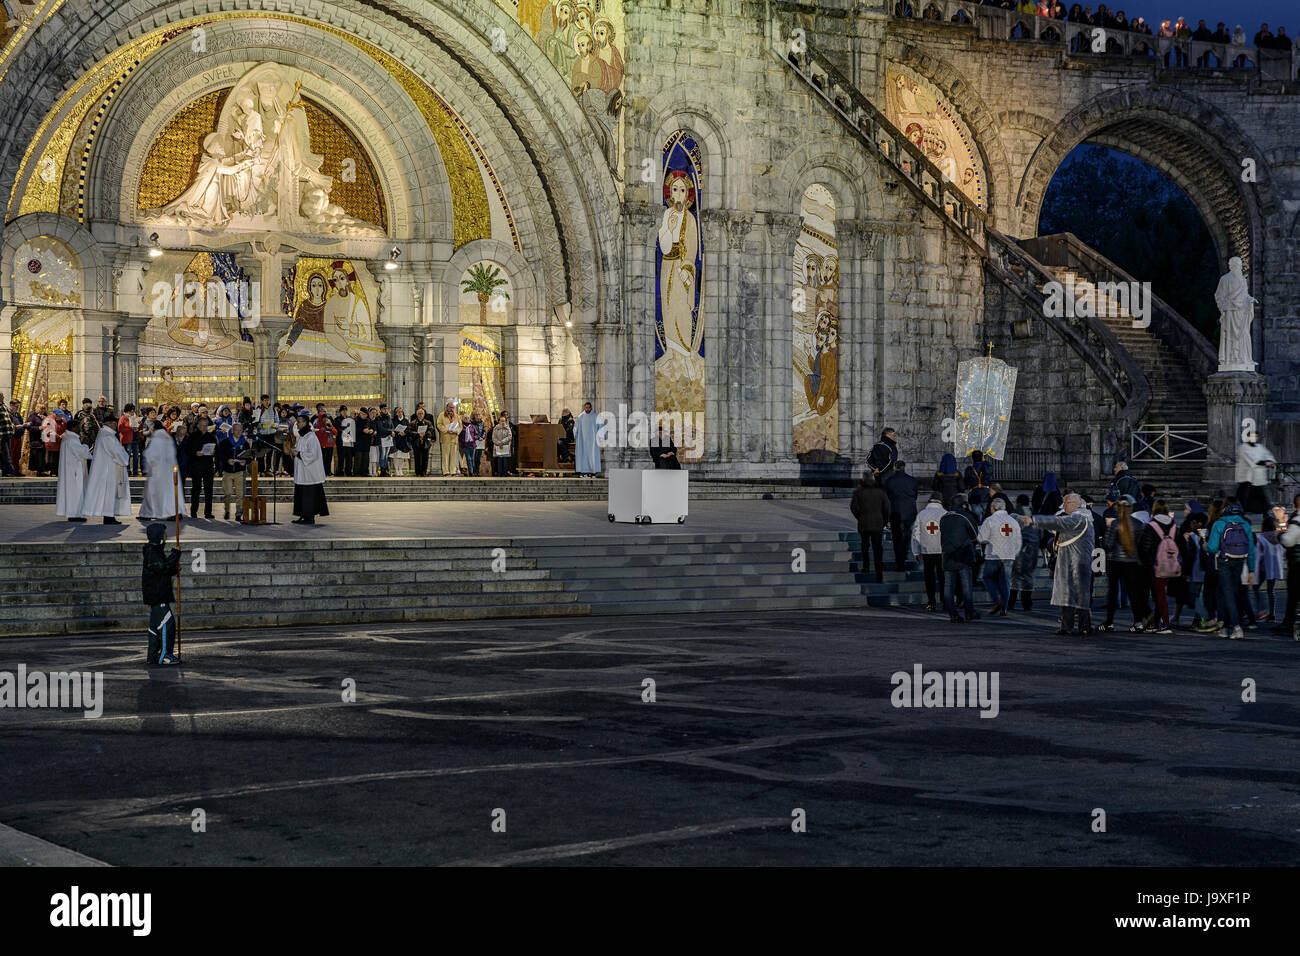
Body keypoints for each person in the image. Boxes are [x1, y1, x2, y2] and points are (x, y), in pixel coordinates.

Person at [1018, 492, 1094, 635]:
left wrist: (1034, 520)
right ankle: (1068, 626)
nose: (1063, 506)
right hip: (1071, 563)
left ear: (1073, 504)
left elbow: (1058, 523)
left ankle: (1083, 626)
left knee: (1080, 596)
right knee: (1069, 596)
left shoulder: (1079, 518)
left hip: (1077, 563)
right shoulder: (1078, 518)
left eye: (1065, 503)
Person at [1205, 500, 1255, 640]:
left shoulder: (1219, 524)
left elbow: (1212, 548)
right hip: (1240, 560)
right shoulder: (1245, 525)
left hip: (1224, 561)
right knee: (1234, 591)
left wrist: (1205, 546)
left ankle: (1235, 626)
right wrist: (1251, 570)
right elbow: (1251, 549)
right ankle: (1227, 626)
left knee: (1227, 593)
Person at [1098, 496, 1146, 632]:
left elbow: (1108, 545)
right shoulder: (1138, 524)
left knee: (1113, 593)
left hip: (1116, 561)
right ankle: (1138, 621)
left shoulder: (1115, 524)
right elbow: (1141, 544)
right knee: (1133, 592)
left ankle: (1109, 622)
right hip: (1132, 561)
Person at [142, 522, 182, 666]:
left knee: (155, 627)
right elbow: (163, 568)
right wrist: (175, 554)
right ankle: (165, 655)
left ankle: (152, 655)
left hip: (156, 594)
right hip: (158, 594)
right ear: (159, 535)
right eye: (164, 533)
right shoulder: (153, 551)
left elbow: (162, 570)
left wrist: (174, 569)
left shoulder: (155, 551)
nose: (166, 536)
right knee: (167, 624)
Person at [1138, 500, 1180, 633]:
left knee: (1158, 596)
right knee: (1160, 595)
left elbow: (1145, 548)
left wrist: (1147, 563)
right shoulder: (1174, 526)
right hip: (1172, 564)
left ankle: (1164, 624)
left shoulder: (1151, 526)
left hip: (1156, 565)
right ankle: (1156, 623)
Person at [940, 493, 980, 623]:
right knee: (966, 586)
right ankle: (969, 612)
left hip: (947, 555)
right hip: (963, 555)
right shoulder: (965, 516)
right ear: (963, 504)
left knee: (948, 586)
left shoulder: (943, 518)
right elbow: (975, 535)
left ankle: (953, 614)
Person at [978, 499, 1020, 616]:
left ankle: (996, 600)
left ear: (992, 508)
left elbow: (981, 538)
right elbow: (1018, 540)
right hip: (1008, 556)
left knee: (987, 577)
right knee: (1005, 581)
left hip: (993, 555)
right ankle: (1004, 608)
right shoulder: (1013, 521)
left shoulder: (990, 520)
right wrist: (1014, 553)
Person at [82, 424, 131, 525]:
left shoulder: (104, 435)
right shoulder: (107, 437)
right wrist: (125, 458)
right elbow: (116, 452)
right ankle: (109, 516)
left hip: (107, 469)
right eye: (114, 423)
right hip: (110, 471)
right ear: (111, 423)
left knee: (109, 494)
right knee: (109, 493)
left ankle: (109, 516)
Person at [850, 471, 891, 584]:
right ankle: (879, 573)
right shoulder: (880, 492)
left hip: (864, 523)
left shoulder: (858, 492)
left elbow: (853, 508)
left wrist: (860, 517)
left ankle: (866, 566)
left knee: (865, 545)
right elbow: (887, 508)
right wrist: (884, 521)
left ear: (863, 479)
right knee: (877, 548)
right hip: (878, 523)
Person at [139, 421, 183, 521]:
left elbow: (151, 455)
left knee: (153, 493)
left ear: (153, 429)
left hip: (158, 471)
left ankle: (148, 513)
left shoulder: (157, 438)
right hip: (170, 470)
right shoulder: (167, 437)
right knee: (170, 493)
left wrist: (146, 467)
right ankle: (174, 512)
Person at [288, 413, 328, 524]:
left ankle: (309, 516)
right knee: (302, 494)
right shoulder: (302, 437)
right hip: (302, 472)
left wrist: (298, 454)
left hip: (310, 473)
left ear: (305, 423)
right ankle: (303, 515)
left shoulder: (311, 437)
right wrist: (294, 451)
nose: (297, 424)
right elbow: (300, 449)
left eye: (299, 421)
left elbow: (313, 454)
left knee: (308, 495)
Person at [911, 494, 947, 612]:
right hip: (942, 551)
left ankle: (931, 602)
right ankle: (945, 601)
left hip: (927, 551)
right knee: (943, 577)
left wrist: (916, 551)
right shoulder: (945, 513)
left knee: (929, 577)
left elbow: (916, 534)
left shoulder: (921, 514)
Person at [883, 460, 918, 572]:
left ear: (895, 467)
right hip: (909, 512)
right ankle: (905, 554)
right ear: (904, 467)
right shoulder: (912, 480)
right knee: (907, 536)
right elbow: (915, 496)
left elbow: (886, 497)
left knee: (897, 538)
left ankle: (900, 562)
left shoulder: (889, 481)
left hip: (895, 512)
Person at [1009, 496, 1040, 612]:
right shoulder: (1034, 514)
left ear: (1018, 503)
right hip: (1032, 550)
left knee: (1014, 578)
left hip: (1018, 548)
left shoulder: (1015, 515)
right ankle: (1027, 604)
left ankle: (1010, 602)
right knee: (1028, 578)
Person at [1234, 431, 1275, 515]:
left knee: (1261, 496)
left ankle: (1265, 514)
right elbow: (1251, 461)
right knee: (1243, 496)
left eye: (1255, 436)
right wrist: (1265, 463)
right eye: (1252, 436)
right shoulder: (1243, 447)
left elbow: (1268, 455)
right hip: (1246, 478)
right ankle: (1242, 512)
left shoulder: (1260, 447)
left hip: (1258, 478)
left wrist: (1270, 461)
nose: (1254, 438)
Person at [183, 417, 217, 519]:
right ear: (197, 425)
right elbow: (187, 451)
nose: (204, 428)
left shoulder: (211, 437)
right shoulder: (192, 437)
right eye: (202, 425)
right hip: (196, 466)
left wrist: (213, 452)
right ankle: (194, 511)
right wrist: (195, 453)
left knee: (209, 490)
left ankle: (208, 512)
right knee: (196, 489)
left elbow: (217, 449)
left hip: (208, 466)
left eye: (206, 426)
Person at [55, 434, 92, 522]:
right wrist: (86, 446)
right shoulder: (71, 440)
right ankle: (74, 515)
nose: (78, 430)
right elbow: (81, 452)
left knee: (74, 493)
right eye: (76, 427)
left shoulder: (67, 439)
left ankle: (76, 514)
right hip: (74, 471)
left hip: (71, 470)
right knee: (75, 493)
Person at [217, 422, 250, 520]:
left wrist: (245, 461)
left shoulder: (245, 443)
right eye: (237, 430)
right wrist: (227, 460)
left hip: (239, 472)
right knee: (227, 493)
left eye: (241, 430)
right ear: (232, 431)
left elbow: (250, 456)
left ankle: (239, 513)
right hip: (227, 472)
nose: (239, 432)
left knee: (240, 494)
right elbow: (220, 455)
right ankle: (227, 510)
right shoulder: (225, 442)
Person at [963, 450, 993, 520]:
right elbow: (990, 471)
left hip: (974, 496)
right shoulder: (986, 467)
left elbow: (966, 483)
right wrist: (984, 461)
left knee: (977, 518)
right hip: (986, 495)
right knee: (986, 518)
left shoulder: (969, 469)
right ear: (982, 457)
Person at [575, 401, 602, 477]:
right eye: (586, 407)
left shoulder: (596, 416)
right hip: (582, 440)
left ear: (591, 408)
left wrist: (600, 436)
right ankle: (583, 472)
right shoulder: (580, 417)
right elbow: (575, 427)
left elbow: (601, 426)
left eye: (588, 407)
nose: (587, 409)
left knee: (593, 456)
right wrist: (575, 435)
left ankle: (593, 472)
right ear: (584, 408)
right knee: (583, 456)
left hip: (593, 440)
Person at [436, 401, 461, 476]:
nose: (452, 409)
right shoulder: (441, 415)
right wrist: (446, 430)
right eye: (450, 407)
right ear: (447, 407)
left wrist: (457, 431)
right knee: (445, 456)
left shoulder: (457, 416)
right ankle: (445, 471)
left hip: (454, 438)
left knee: (453, 456)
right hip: (445, 438)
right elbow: (439, 425)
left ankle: (453, 471)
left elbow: (460, 426)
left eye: (453, 407)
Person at [409, 405, 433, 477]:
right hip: (416, 442)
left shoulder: (428, 422)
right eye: (419, 414)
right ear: (417, 414)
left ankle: (424, 472)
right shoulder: (413, 423)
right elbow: (410, 431)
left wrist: (425, 434)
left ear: (424, 414)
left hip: (425, 442)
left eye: (422, 413)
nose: (420, 415)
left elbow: (431, 430)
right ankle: (418, 472)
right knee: (417, 458)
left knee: (425, 458)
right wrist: (418, 434)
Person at [314, 406, 337, 478]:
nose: (325, 419)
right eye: (323, 417)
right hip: (322, 445)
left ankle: (328, 471)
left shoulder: (329, 424)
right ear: (320, 418)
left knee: (329, 459)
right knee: (323, 459)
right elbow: (316, 435)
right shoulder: (317, 425)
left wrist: (331, 428)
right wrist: (323, 430)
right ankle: (322, 472)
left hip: (330, 444)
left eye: (326, 417)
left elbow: (336, 432)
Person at [374, 404, 395, 477]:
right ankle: (382, 470)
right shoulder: (378, 418)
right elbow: (380, 428)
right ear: (381, 410)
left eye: (386, 408)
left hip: (388, 439)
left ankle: (385, 470)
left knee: (386, 455)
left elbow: (392, 427)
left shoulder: (389, 417)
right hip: (381, 439)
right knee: (382, 455)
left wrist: (392, 432)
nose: (385, 410)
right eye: (384, 409)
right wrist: (389, 432)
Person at [389, 407, 411, 476]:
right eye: (398, 412)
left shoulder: (406, 420)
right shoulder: (393, 420)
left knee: (402, 456)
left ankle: (400, 469)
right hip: (396, 439)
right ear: (396, 413)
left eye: (401, 412)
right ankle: (396, 470)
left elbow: (409, 429)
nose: (400, 413)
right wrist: (395, 432)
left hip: (403, 440)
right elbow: (391, 428)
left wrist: (404, 433)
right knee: (396, 456)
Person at [491, 411, 513, 477]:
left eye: (504, 421)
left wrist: (502, 442)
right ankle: (499, 473)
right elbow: (493, 438)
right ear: (499, 421)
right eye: (501, 421)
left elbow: (510, 436)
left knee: (505, 460)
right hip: (498, 447)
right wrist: (498, 443)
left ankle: (505, 473)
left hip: (505, 446)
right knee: (499, 460)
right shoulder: (496, 428)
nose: (503, 422)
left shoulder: (507, 428)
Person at [459, 411, 480, 477]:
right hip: (465, 445)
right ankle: (471, 472)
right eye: (465, 418)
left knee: (472, 458)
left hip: (472, 445)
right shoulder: (461, 427)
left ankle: (472, 470)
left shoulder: (472, 426)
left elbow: (477, 434)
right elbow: (459, 435)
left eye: (468, 418)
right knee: (468, 458)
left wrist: (474, 438)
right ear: (463, 419)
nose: (466, 419)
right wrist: (462, 440)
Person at [336, 405, 356, 477]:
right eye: (343, 411)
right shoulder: (337, 419)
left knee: (349, 457)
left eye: (345, 411)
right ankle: (340, 471)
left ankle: (348, 471)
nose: (344, 412)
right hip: (341, 441)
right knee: (341, 457)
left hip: (348, 441)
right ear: (340, 412)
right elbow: (339, 430)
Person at [0, 391, 16, 476]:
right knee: (5, 452)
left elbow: (10, 418)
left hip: (8, 433)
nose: (3, 398)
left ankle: (6, 470)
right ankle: (8, 470)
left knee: (7, 451)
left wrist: (12, 426)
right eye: (1, 396)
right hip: (2, 433)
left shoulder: (4, 406)